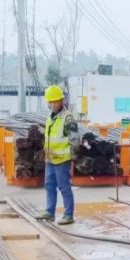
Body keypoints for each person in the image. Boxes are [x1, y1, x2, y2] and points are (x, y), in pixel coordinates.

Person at [36, 85, 79, 225]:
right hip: (50, 159)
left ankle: (68, 215)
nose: (53, 104)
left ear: (61, 101)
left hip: (62, 160)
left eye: (55, 101)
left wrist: (73, 158)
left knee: (64, 187)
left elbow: (75, 139)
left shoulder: (68, 118)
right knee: (49, 185)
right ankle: (49, 212)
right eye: (50, 102)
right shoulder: (50, 117)